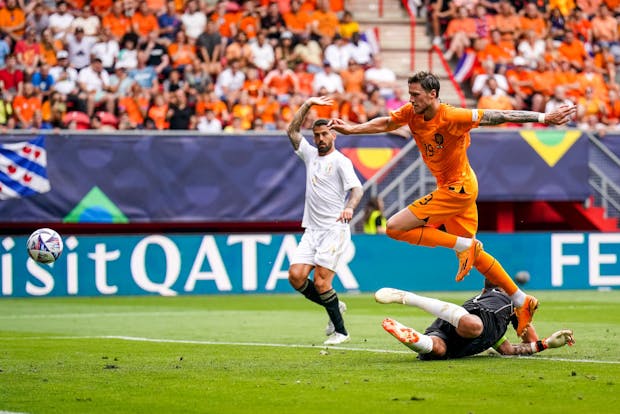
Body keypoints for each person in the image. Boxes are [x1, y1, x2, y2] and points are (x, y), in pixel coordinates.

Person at [328, 71, 577, 337]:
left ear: (433, 94)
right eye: (410, 94)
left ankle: (463, 246)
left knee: (394, 227)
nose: (410, 99)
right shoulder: (412, 113)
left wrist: (542, 118)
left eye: (415, 95)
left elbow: (498, 116)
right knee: (478, 259)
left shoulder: (452, 116)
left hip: (458, 189)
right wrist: (352, 128)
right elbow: (386, 123)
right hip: (456, 188)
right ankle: (522, 303)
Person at [286, 96, 364, 346]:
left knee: (321, 282)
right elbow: (291, 130)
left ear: (333, 135)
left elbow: (357, 190)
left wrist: (349, 208)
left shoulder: (341, 161)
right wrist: (308, 104)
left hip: (333, 229)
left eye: (324, 134)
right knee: (296, 277)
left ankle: (341, 332)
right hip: (312, 229)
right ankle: (335, 306)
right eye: (316, 134)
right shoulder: (310, 155)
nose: (320, 139)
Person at [374, 284, 575, 360]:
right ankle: (407, 297)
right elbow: (490, 276)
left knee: (438, 349)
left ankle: (412, 337)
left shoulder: (498, 334)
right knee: (475, 326)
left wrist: (546, 344)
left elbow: (511, 350)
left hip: (455, 337)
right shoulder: (500, 292)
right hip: (471, 317)